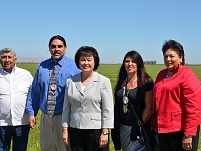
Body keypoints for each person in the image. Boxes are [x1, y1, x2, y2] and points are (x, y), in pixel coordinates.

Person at [25, 35, 80, 151]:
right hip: (46, 117)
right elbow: (35, 92)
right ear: (49, 48)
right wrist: (31, 113)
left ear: (65, 48)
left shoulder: (74, 67)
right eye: (53, 47)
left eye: (60, 46)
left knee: (65, 147)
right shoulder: (42, 66)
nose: (56, 49)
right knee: (47, 147)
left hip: (65, 116)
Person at [152, 40, 201, 151]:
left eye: (171, 56)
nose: (168, 59)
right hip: (163, 128)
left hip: (180, 129)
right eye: (165, 56)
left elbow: (193, 107)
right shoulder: (161, 74)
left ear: (181, 57)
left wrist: (188, 134)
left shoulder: (187, 76)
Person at [62, 46, 114, 151]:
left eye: (89, 60)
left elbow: (107, 109)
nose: (86, 63)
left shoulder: (103, 81)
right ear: (78, 62)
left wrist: (105, 132)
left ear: (95, 62)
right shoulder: (71, 81)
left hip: (95, 130)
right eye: (83, 59)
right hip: (75, 129)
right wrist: (65, 130)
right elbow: (66, 108)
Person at [111, 50, 154, 151]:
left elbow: (149, 108)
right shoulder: (122, 81)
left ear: (139, 64)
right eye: (127, 61)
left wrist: (137, 126)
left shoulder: (146, 82)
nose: (129, 64)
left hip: (138, 129)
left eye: (133, 61)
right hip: (122, 128)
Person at [0, 48, 33, 151]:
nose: (6, 60)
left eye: (9, 57)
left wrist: (32, 114)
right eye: (3, 57)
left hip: (21, 122)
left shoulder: (25, 75)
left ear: (15, 59)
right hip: (1, 123)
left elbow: (33, 95)